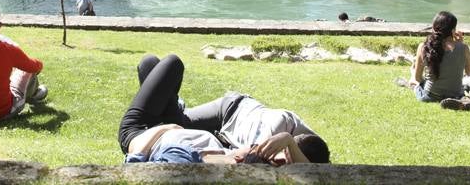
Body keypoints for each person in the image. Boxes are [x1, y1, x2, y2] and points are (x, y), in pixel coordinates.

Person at [119, 54, 325, 165]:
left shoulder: (311, 149)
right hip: (228, 110)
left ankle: (155, 128)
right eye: (282, 158)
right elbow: (254, 155)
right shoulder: (281, 124)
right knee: (170, 64)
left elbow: (317, 170)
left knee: (150, 64)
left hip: (163, 138)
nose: (276, 161)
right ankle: (154, 129)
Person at [409, 11, 470, 109]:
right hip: (455, 94)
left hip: (430, 95)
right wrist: (461, 45)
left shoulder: (424, 47)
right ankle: (460, 100)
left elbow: (418, 78)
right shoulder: (463, 48)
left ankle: (411, 79)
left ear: (433, 27)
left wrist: (413, 74)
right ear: (453, 30)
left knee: (413, 80)